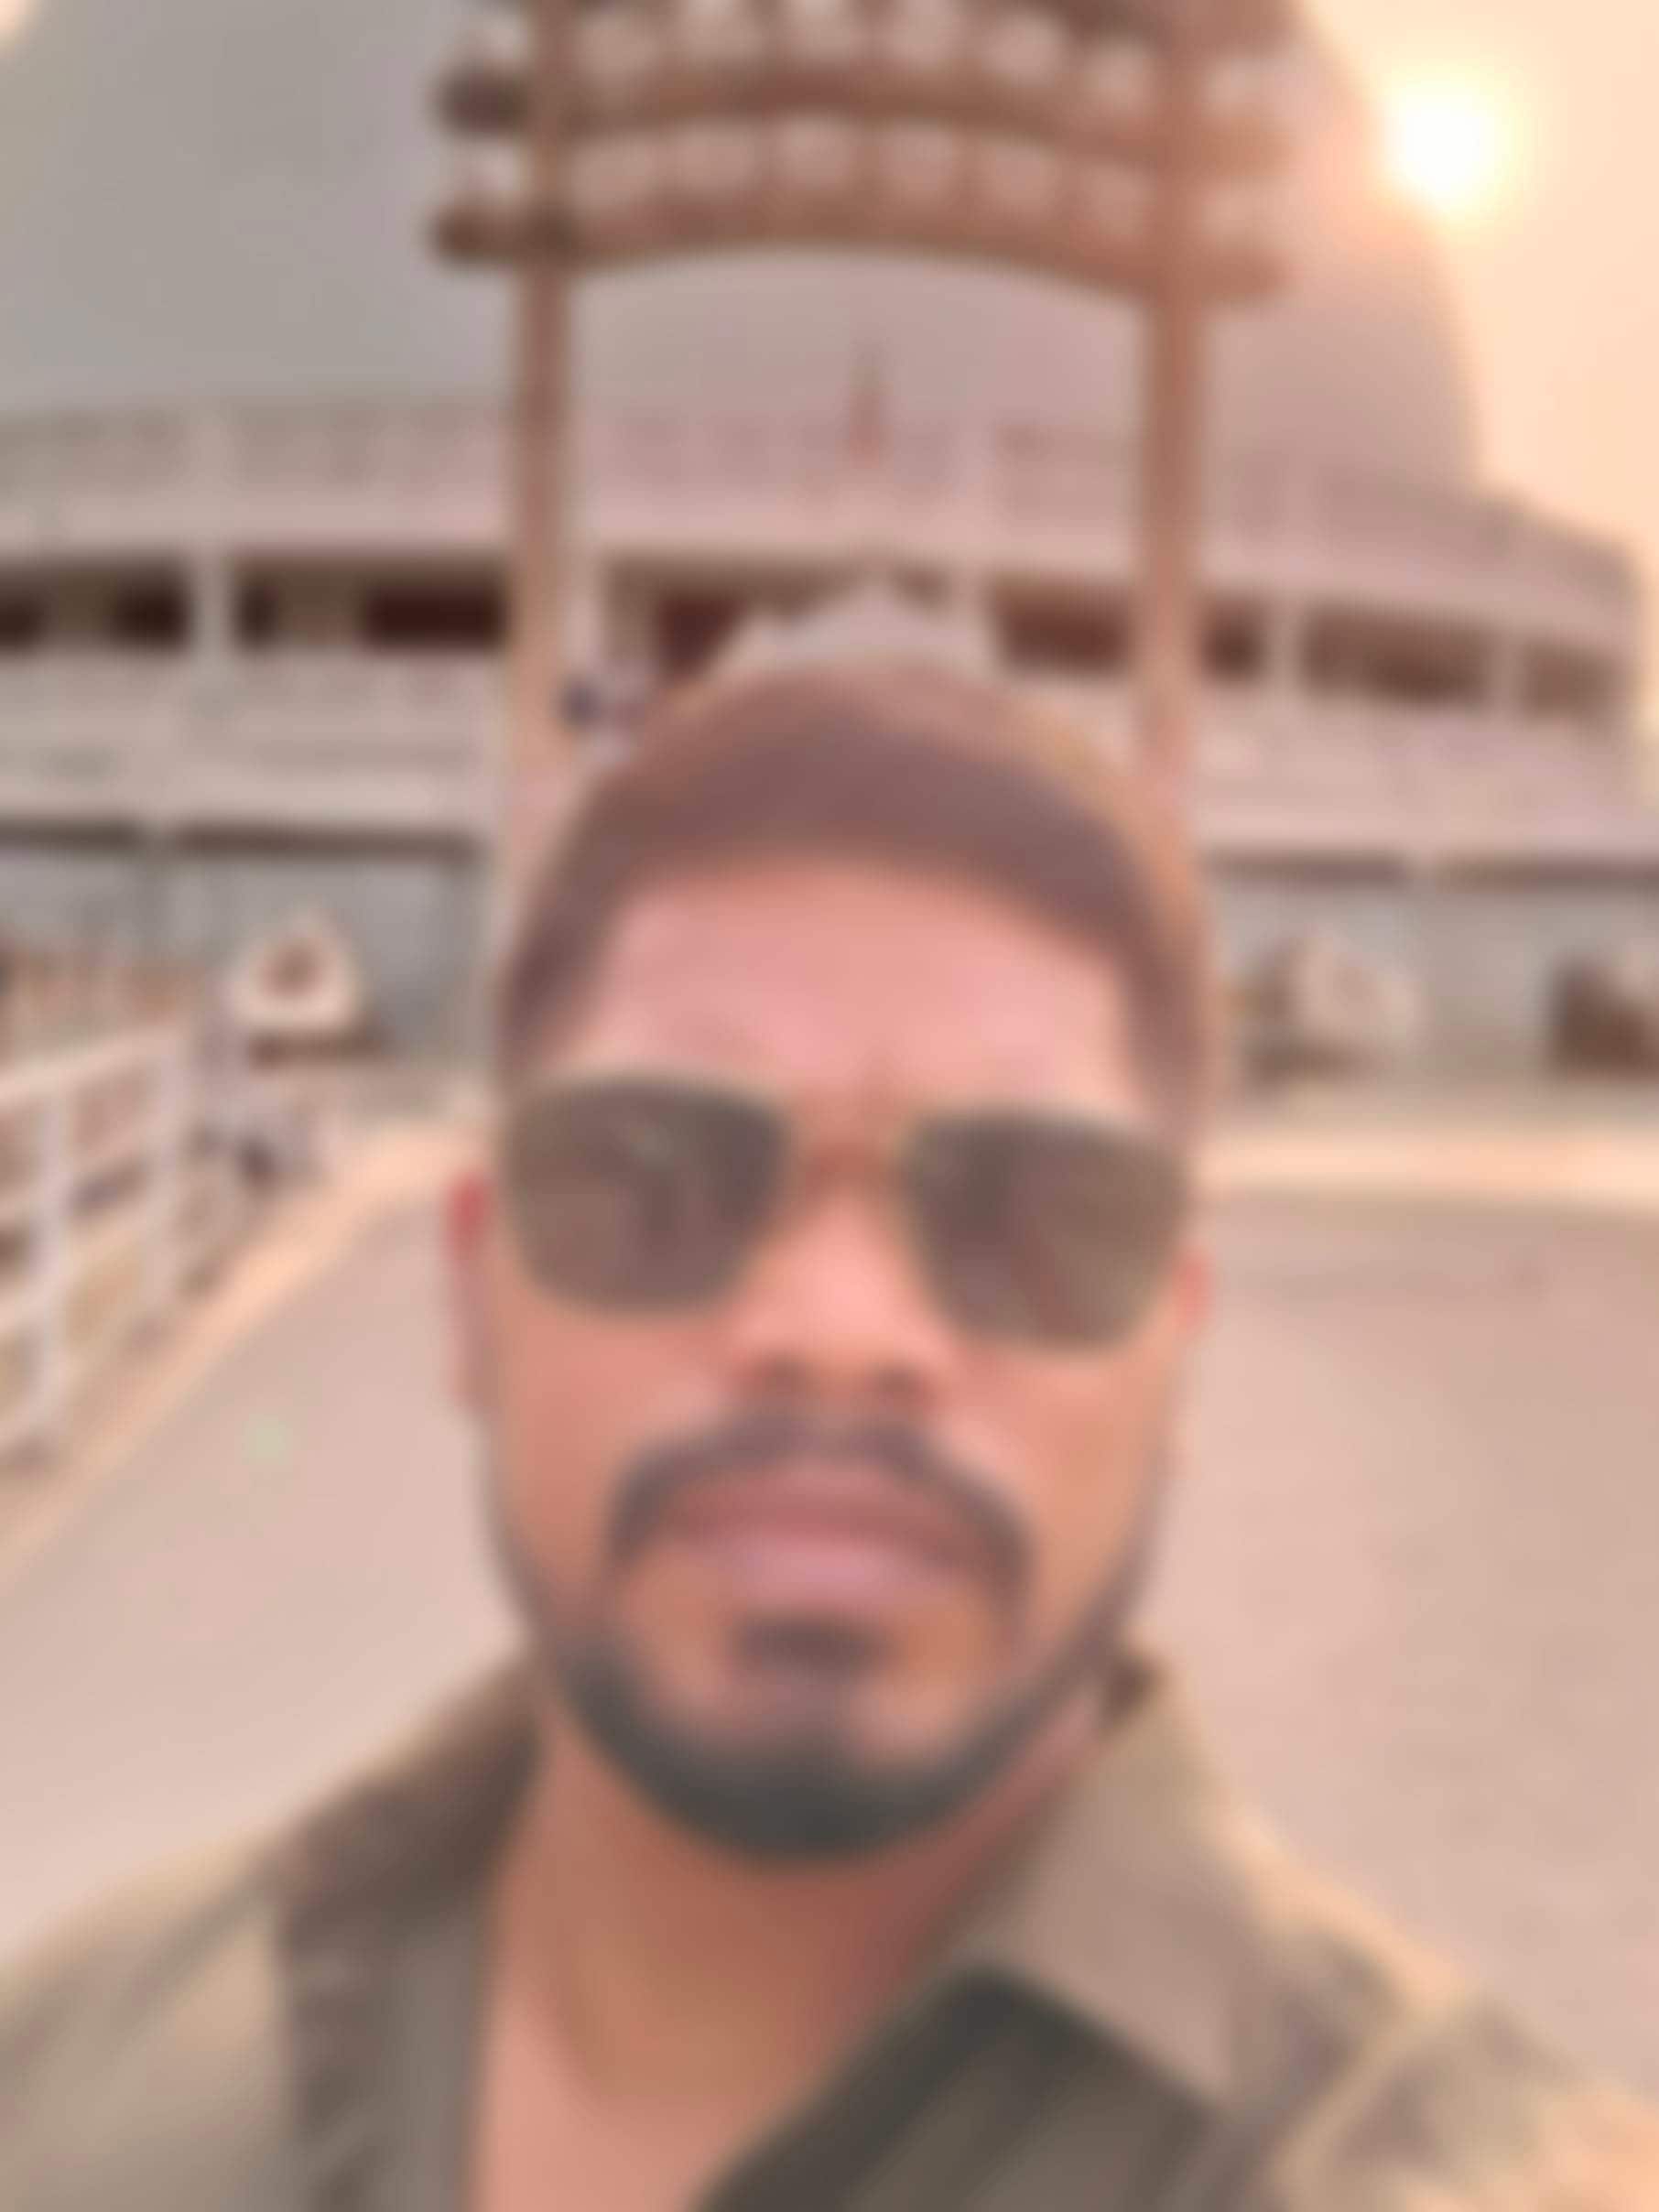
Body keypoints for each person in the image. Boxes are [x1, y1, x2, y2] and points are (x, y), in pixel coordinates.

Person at [2, 666, 1655, 2212]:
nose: (841, 1329)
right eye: (656, 1178)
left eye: (1030, 1214)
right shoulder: (65, 2081)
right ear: (473, 1297)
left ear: (1176, 1354)